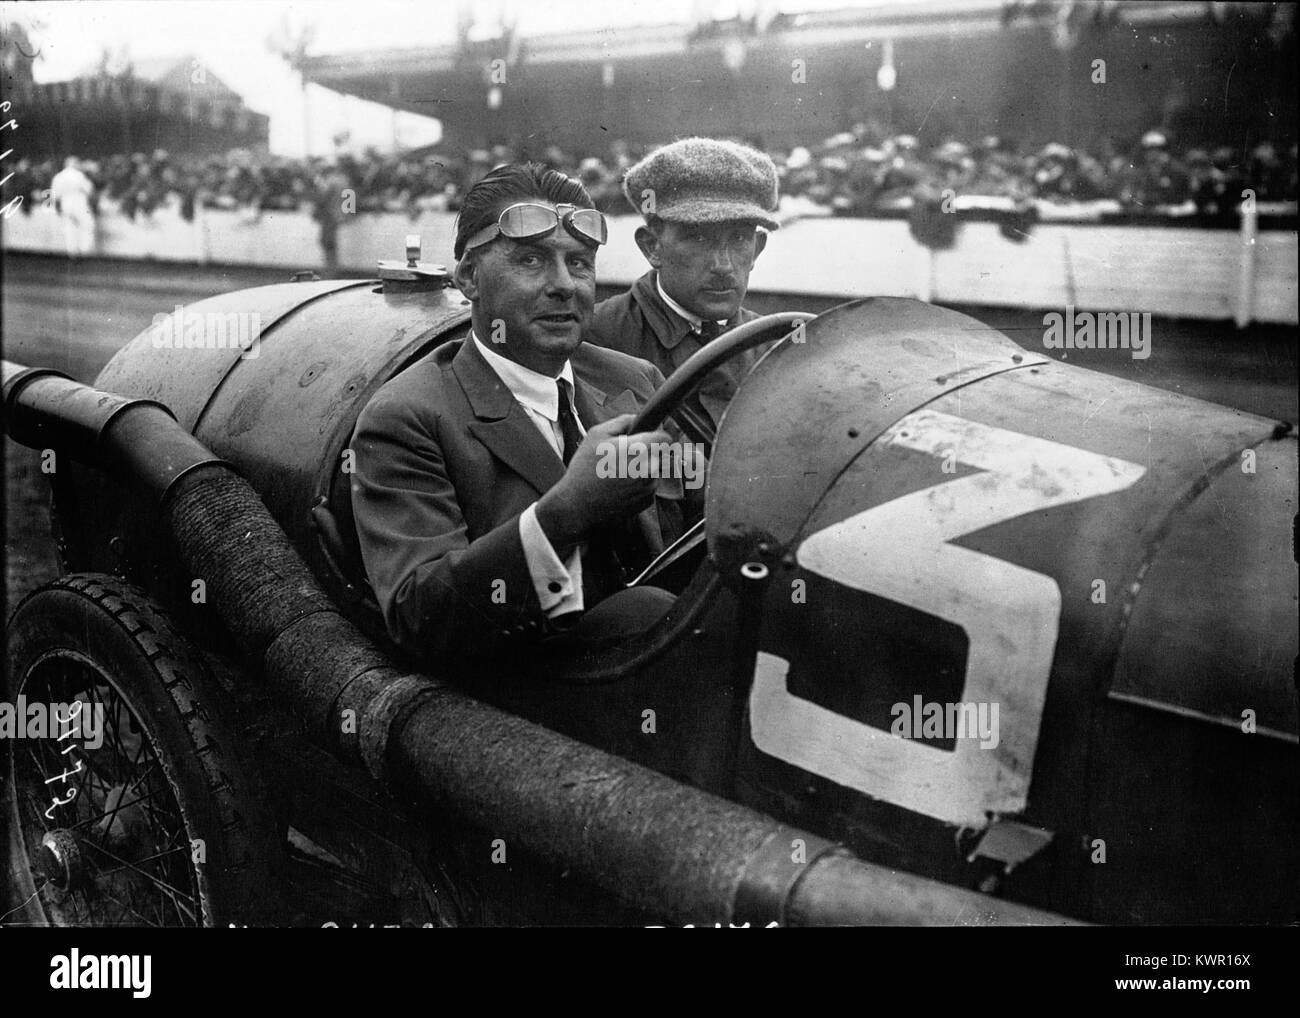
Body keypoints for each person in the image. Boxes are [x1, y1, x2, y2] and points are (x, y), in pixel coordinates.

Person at [350, 162, 681, 663]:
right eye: (530, 261)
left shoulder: (635, 381)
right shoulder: (406, 416)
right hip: (523, 694)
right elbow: (419, 616)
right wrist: (568, 509)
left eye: (581, 263)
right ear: (469, 278)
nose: (565, 285)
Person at [586, 137, 781, 438]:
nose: (723, 265)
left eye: (739, 238)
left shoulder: (775, 348)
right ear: (652, 247)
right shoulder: (593, 339)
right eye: (699, 238)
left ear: (757, 250)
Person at [49, 156, 96, 258]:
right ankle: (85, 251)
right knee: (87, 225)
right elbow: (89, 190)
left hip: (65, 203)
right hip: (79, 202)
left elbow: (54, 194)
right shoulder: (79, 175)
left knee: (69, 228)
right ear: (75, 164)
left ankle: (72, 253)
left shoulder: (58, 176)